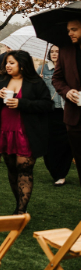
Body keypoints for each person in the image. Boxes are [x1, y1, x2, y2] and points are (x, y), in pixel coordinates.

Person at [0, 49, 52, 214]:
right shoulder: (0, 78)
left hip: (26, 132)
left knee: (25, 170)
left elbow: (46, 105)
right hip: (5, 130)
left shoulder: (35, 82)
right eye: (7, 62)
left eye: (11, 63)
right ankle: (18, 203)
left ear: (22, 65)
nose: (7, 65)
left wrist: (22, 103)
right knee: (12, 169)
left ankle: (21, 210)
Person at [38, 45, 73, 186]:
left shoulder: (69, 69)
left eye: (57, 51)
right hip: (49, 112)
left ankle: (62, 174)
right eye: (52, 51)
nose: (54, 54)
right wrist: (38, 82)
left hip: (66, 111)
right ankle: (55, 171)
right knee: (48, 143)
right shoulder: (42, 69)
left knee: (67, 144)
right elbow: (35, 91)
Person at [52, 19, 81, 188]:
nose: (69, 33)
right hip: (73, 119)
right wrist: (66, 91)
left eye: (74, 29)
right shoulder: (65, 51)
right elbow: (57, 79)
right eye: (69, 29)